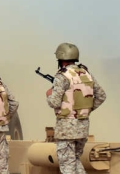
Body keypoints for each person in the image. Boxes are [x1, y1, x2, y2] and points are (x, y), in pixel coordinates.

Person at [46, 42, 107, 174]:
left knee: (67, 165)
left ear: (61, 60)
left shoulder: (62, 76)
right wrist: (86, 110)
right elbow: (101, 96)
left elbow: (54, 103)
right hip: (83, 126)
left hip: (66, 128)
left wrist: (48, 95)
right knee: (75, 160)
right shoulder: (86, 73)